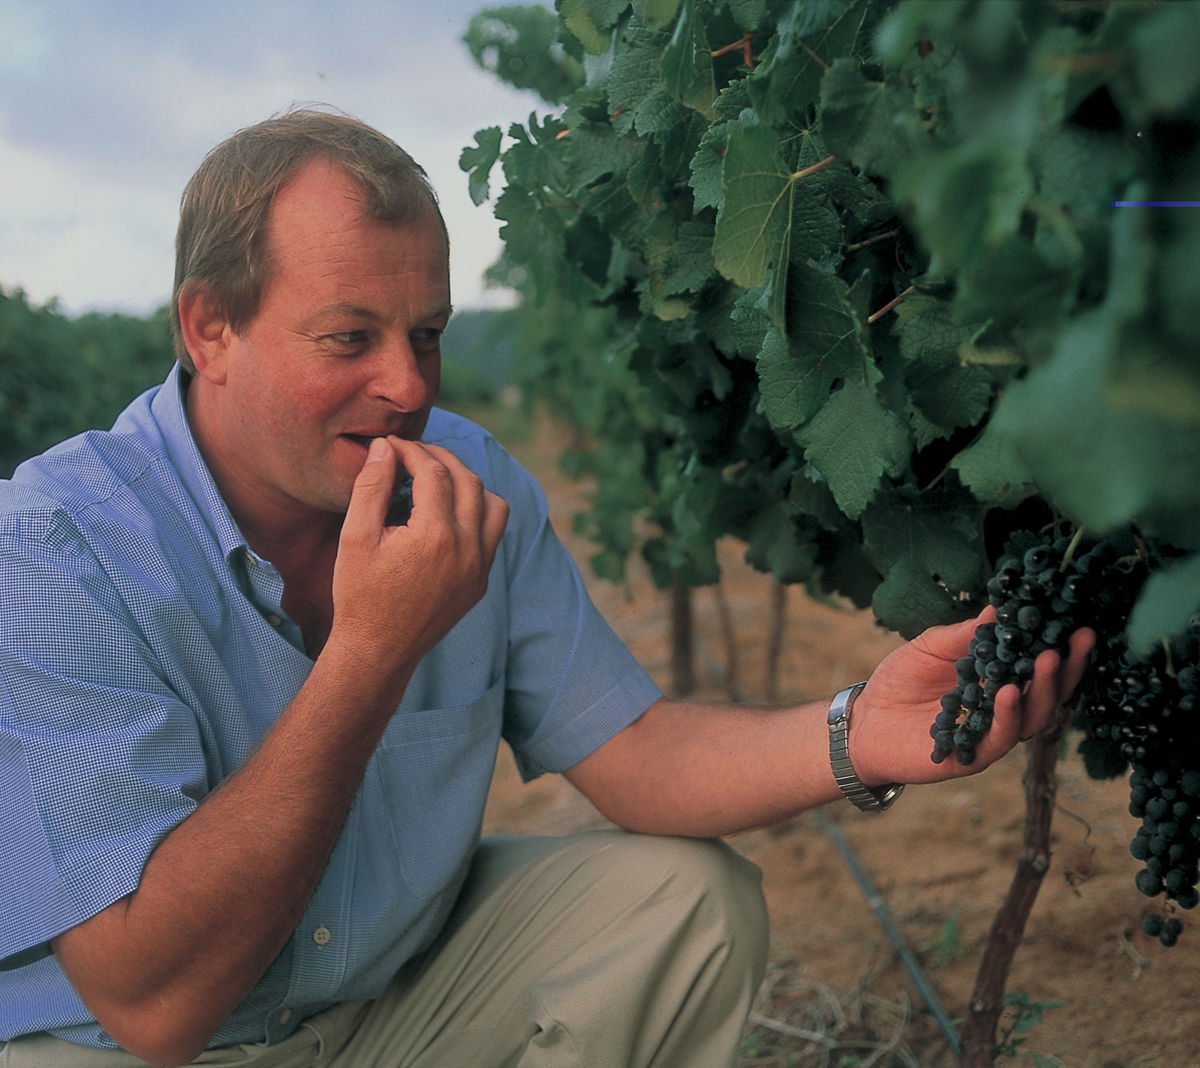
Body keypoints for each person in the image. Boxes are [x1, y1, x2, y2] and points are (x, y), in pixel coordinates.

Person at [0, 109, 1095, 1068]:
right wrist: (374, 652)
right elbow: (156, 1005)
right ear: (211, 328)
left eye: (426, 334)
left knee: (690, 908)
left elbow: (633, 752)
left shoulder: (471, 485)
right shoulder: (55, 552)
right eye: (351, 339)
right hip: (124, 1053)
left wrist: (861, 731)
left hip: (388, 1010)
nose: (409, 384)